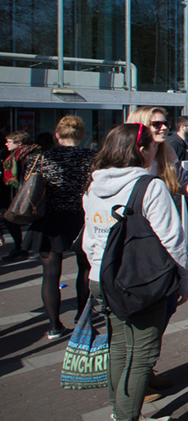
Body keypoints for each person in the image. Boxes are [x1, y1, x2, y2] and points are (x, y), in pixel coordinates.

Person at [82, 123, 188, 421]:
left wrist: (96, 273)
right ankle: (128, 417)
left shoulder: (93, 185)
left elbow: (89, 240)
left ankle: (119, 412)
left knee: (118, 347)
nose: (156, 151)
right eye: (153, 146)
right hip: (140, 281)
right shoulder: (149, 185)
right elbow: (172, 239)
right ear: (141, 150)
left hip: (101, 278)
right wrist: (183, 279)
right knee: (141, 354)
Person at [26, 116, 95, 339]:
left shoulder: (41, 158)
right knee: (85, 269)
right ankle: (82, 316)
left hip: (49, 219)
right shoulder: (91, 157)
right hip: (81, 217)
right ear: (82, 135)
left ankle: (54, 326)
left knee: (51, 274)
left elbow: (31, 188)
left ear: (57, 135)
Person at [127, 107, 182, 196]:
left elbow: (181, 181)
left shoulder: (168, 151)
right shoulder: (128, 156)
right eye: (157, 124)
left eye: (166, 124)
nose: (164, 128)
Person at [1, 131, 38, 262]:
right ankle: (22, 248)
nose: (6, 144)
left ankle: (24, 249)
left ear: (19, 143)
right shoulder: (16, 156)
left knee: (17, 219)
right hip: (20, 193)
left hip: (27, 194)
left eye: (9, 141)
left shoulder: (28, 156)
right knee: (11, 219)